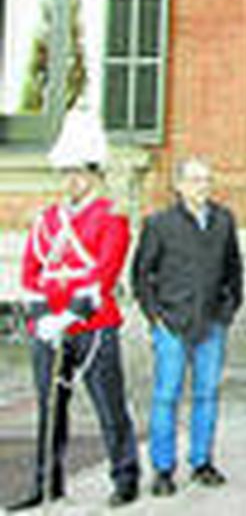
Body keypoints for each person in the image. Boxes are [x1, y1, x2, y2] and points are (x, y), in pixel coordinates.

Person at [10, 131, 139, 512]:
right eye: (67, 173)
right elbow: (31, 269)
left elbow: (105, 272)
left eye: (80, 173)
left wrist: (70, 315)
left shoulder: (111, 218)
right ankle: (47, 483)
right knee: (50, 410)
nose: (72, 181)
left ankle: (125, 476)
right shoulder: (47, 219)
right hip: (48, 329)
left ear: (96, 177)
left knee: (109, 406)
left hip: (94, 325)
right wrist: (42, 318)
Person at [132, 158, 242, 497]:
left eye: (207, 180)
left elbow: (234, 269)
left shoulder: (224, 220)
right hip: (172, 323)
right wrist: (156, 317)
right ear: (179, 186)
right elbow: (141, 275)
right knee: (166, 396)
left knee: (207, 394)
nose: (202, 186)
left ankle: (202, 461)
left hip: (212, 322)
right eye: (195, 180)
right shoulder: (160, 223)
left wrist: (228, 309)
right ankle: (163, 469)